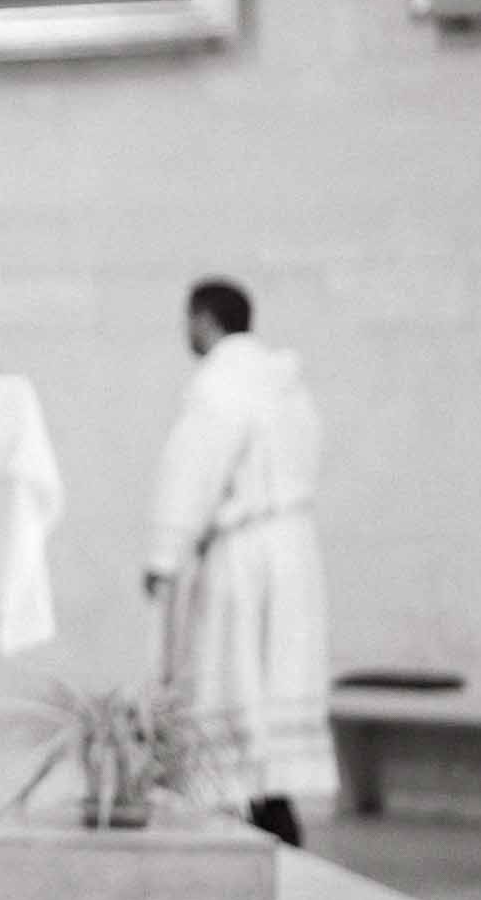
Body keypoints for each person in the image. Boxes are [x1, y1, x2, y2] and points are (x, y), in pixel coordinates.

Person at [144, 278, 338, 848]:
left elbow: (193, 472)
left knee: (232, 676)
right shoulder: (289, 385)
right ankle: (271, 803)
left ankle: (243, 808)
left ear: (204, 320)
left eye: (188, 322)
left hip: (243, 552)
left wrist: (165, 554)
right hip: (293, 547)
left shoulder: (220, 384)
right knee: (275, 676)